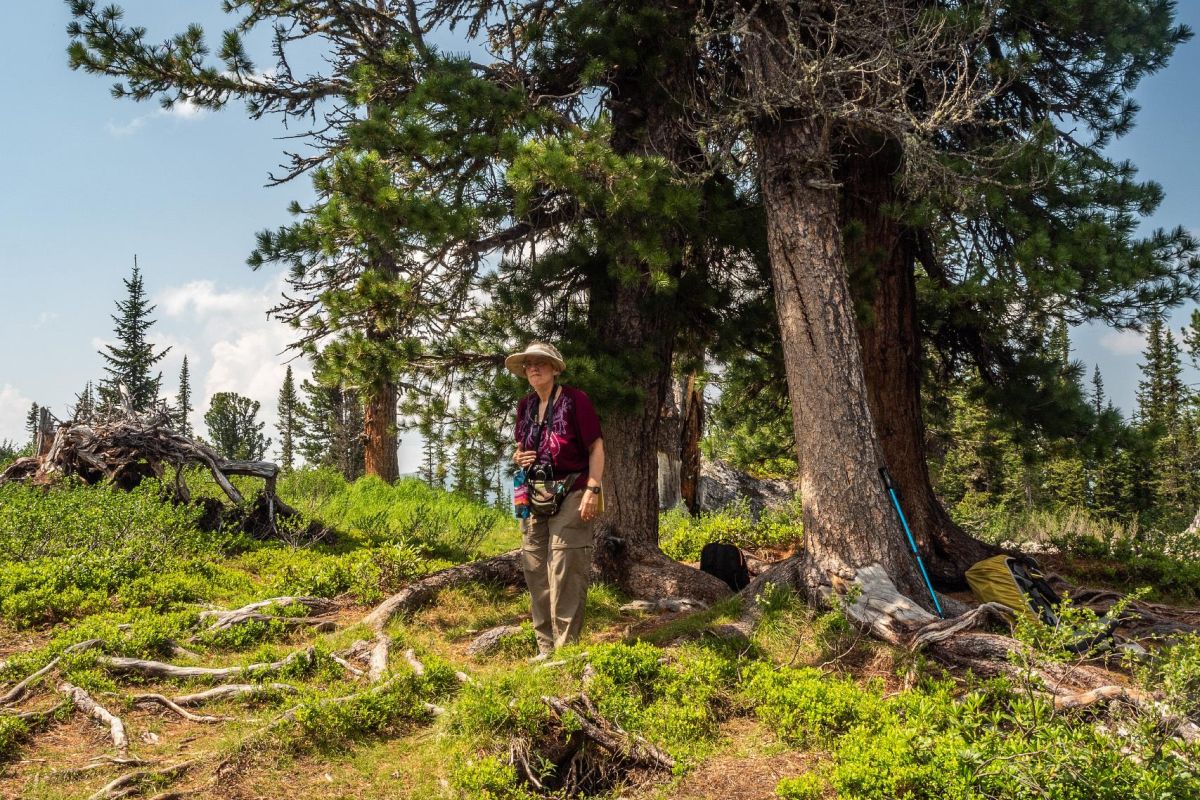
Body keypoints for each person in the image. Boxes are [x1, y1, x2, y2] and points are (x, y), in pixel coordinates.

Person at [507, 341, 604, 656]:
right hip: (533, 496)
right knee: (535, 570)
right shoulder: (525, 406)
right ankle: (545, 648)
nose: (533, 368)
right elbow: (519, 450)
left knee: (565, 569)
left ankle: (566, 650)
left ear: (554, 368)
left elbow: (596, 448)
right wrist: (518, 457)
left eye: (540, 363)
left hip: (573, 491)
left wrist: (593, 489)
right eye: (528, 364)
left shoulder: (577, 401)